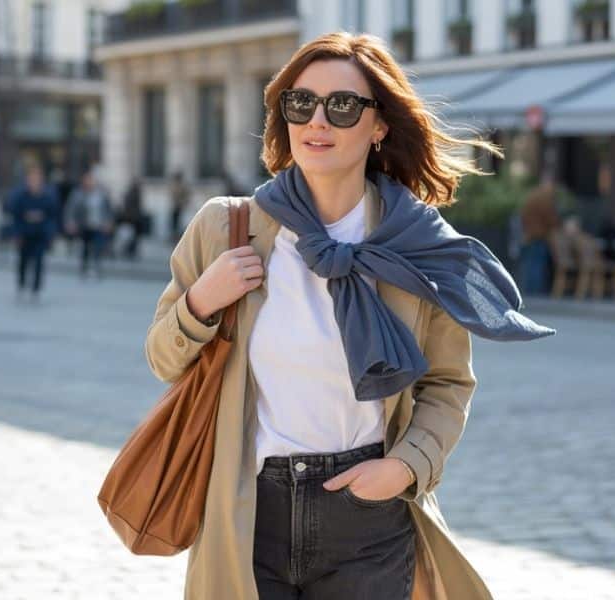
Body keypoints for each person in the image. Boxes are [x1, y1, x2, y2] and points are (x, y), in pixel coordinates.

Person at [143, 32, 554, 600]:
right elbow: (163, 358)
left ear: (379, 124)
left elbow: (448, 384)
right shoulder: (227, 228)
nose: (317, 121)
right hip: (248, 512)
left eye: (342, 106)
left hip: (367, 516)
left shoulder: (417, 245)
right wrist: (200, 303)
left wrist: (405, 468)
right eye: (300, 103)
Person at [7, 165, 59, 300]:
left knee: (39, 261)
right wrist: (17, 233)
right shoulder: (20, 194)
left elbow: (53, 215)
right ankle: (22, 284)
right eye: (32, 178)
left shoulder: (48, 195)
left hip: (40, 233)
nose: (34, 181)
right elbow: (14, 213)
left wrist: (50, 232)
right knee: (23, 261)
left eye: (37, 179)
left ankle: (35, 288)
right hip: (25, 233)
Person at [64, 169, 115, 278]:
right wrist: (70, 222)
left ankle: (97, 268)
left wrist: (109, 222)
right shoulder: (78, 194)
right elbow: (70, 209)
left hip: (98, 226)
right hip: (84, 226)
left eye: (91, 180)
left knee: (98, 247)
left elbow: (109, 210)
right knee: (85, 248)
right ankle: (84, 269)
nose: (89, 182)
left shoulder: (101, 194)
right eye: (86, 180)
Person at [518, 182, 560, 295]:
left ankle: (529, 290)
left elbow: (522, 215)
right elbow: (551, 218)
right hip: (539, 236)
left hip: (529, 235)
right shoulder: (545, 200)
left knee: (530, 264)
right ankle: (535, 292)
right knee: (537, 265)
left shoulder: (532, 197)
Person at [169, 171, 189, 243]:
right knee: (174, 223)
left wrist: (182, 203)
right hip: (175, 207)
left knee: (178, 224)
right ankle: (174, 238)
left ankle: (177, 238)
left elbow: (186, 196)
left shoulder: (182, 186)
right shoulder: (175, 185)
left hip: (179, 207)